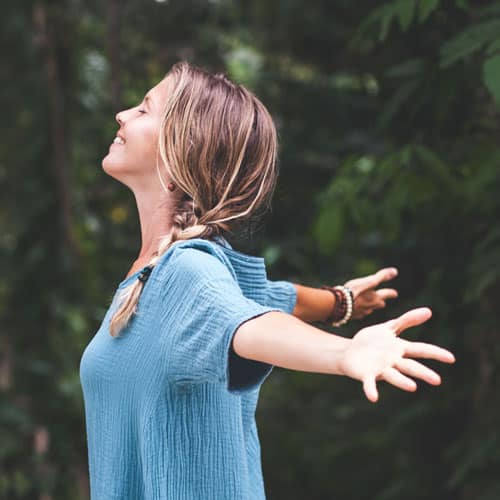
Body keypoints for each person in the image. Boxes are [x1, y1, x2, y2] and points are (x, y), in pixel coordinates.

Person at [79, 61, 455, 500]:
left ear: (184, 145)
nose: (123, 115)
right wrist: (340, 303)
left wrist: (345, 352)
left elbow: (251, 325)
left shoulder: (185, 271)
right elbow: (268, 299)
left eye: (144, 110)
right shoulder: (158, 275)